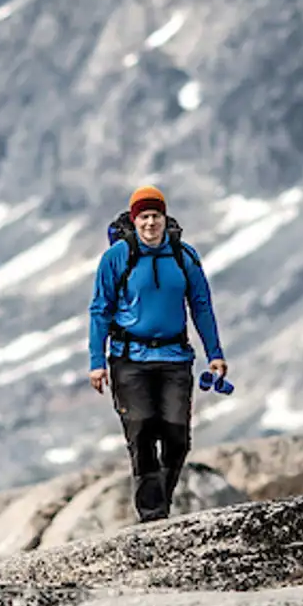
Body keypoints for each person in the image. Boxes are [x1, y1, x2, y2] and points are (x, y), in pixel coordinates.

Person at [87, 185, 227, 521]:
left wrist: (215, 354)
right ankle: (153, 516)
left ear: (165, 218)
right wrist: (96, 362)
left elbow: (201, 305)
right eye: (144, 217)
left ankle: (159, 501)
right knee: (142, 432)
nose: (150, 223)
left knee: (177, 437)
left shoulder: (184, 255)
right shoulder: (116, 257)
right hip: (129, 359)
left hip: (175, 358)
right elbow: (100, 310)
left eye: (156, 216)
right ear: (134, 221)